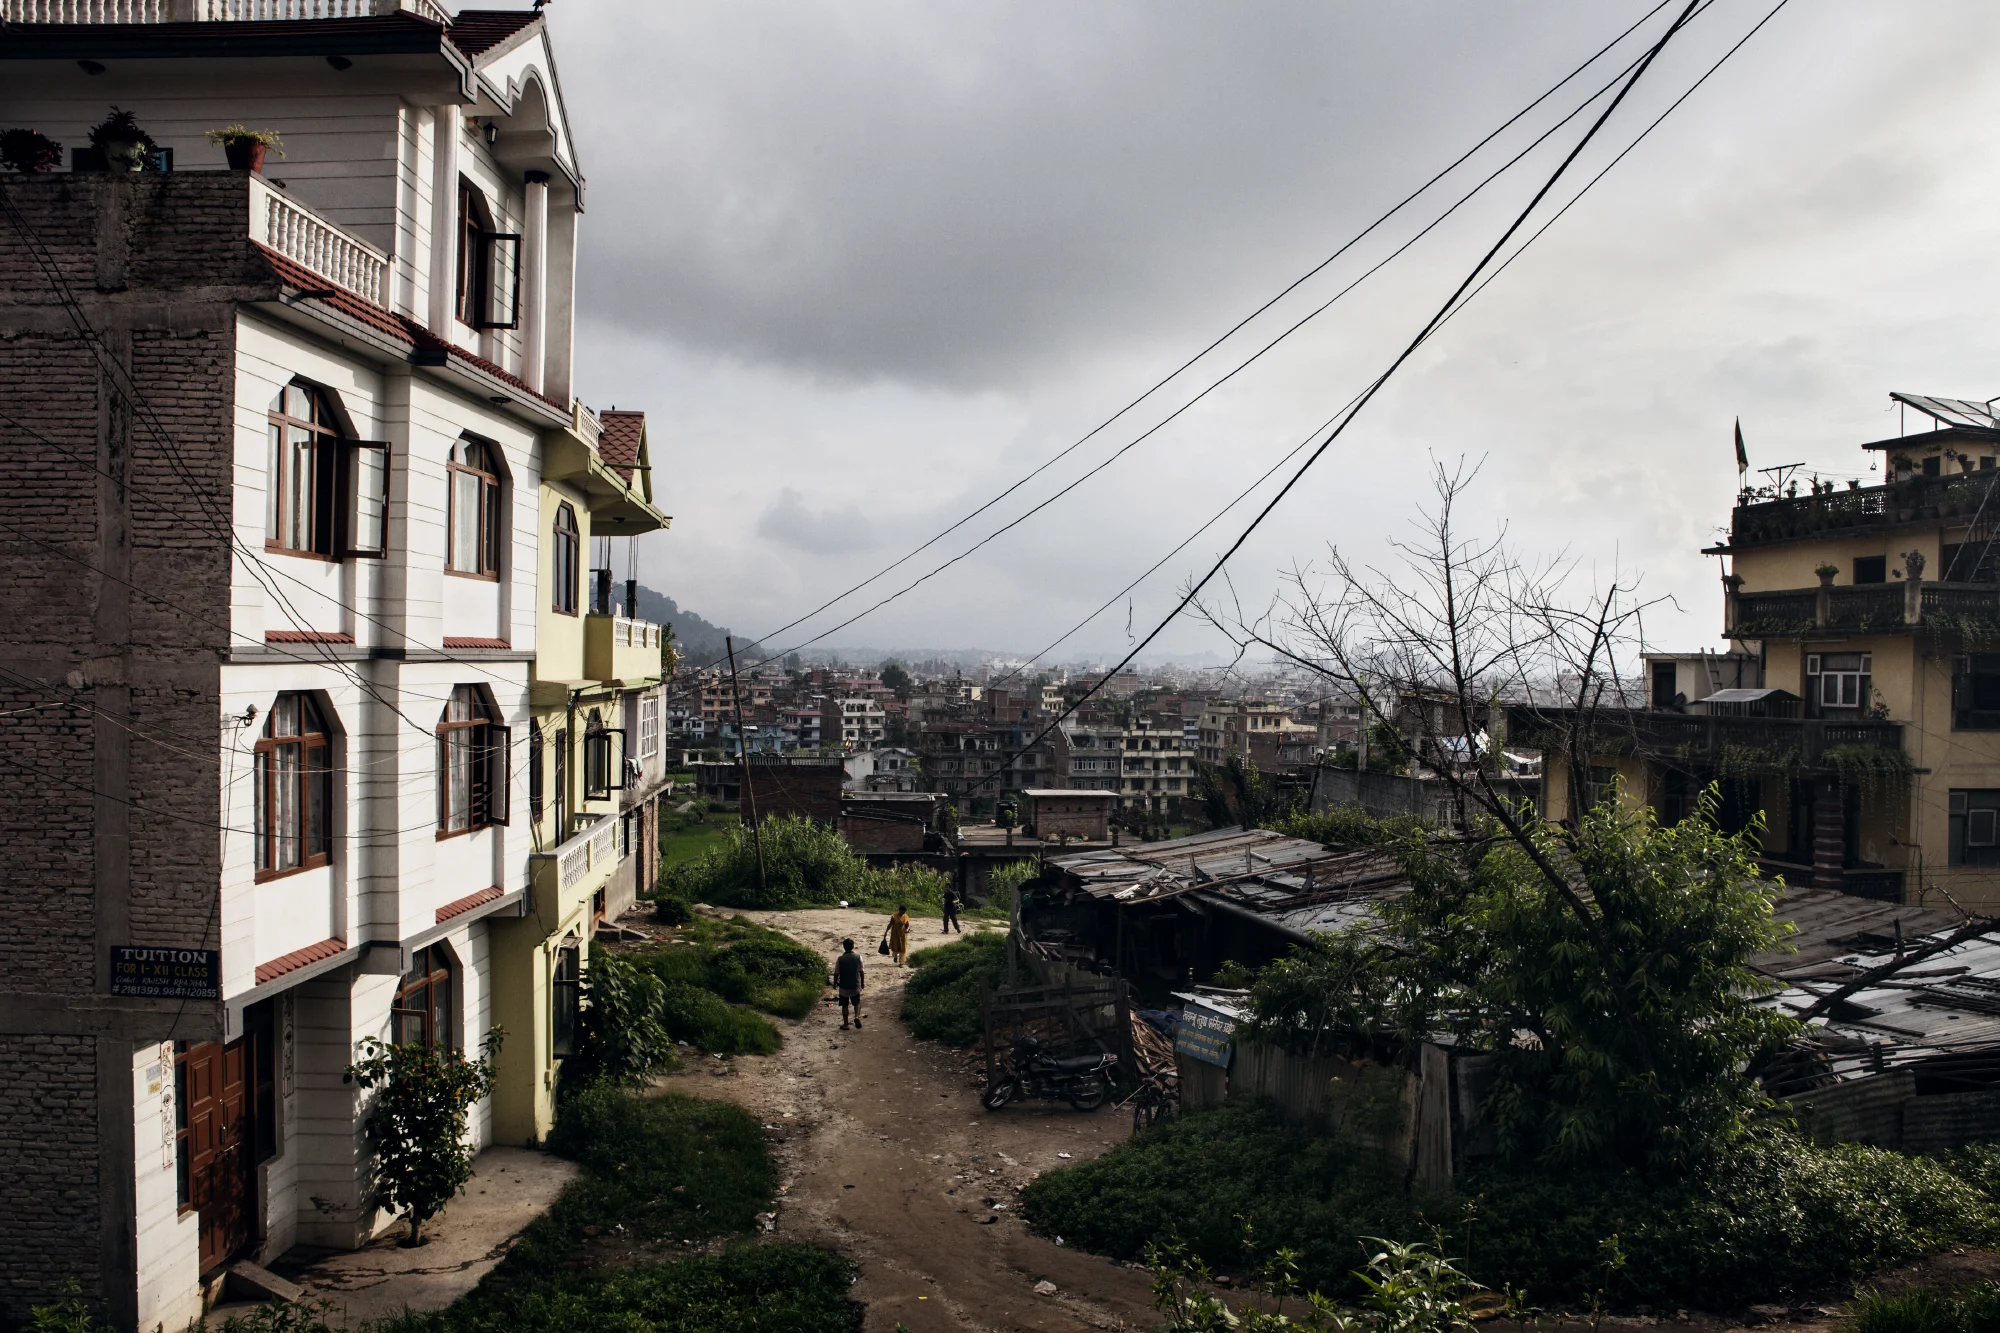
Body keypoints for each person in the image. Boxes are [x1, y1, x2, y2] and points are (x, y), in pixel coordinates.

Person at [832, 938, 864, 1029]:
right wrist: (862, 983)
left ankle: (846, 1024)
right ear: (853, 946)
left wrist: (834, 983)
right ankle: (856, 1017)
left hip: (844, 985)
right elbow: (861, 971)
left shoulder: (840, 959)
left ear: (844, 947)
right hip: (855, 984)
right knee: (857, 1003)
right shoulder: (858, 957)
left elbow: (836, 972)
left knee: (844, 1005)